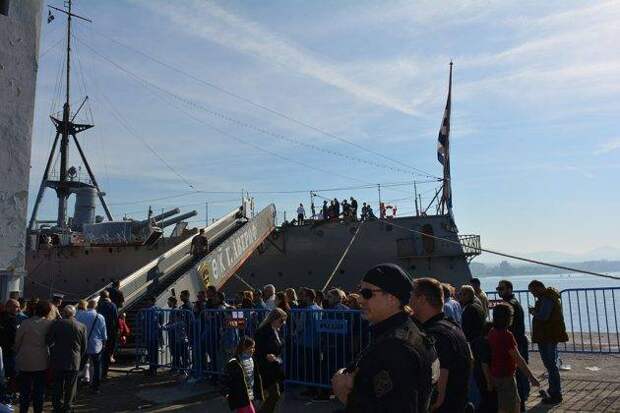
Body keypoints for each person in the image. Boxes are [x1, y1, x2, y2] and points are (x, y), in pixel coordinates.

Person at [332, 264, 438, 412]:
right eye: (360, 292)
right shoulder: (411, 332)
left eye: (367, 293)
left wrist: (345, 393)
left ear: (392, 298)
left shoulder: (397, 348)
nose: (360, 299)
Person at [411, 277, 471, 413]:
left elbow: (437, 396)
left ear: (422, 299)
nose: (408, 301)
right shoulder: (453, 326)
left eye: (411, 296)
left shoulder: (435, 336)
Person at [488, 303, 539, 413]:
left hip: (496, 372)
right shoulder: (507, 335)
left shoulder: (492, 332)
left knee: (508, 403)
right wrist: (531, 377)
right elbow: (518, 358)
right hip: (506, 375)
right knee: (511, 406)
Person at [528, 280, 568, 405]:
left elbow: (544, 316)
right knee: (550, 365)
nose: (533, 294)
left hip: (548, 336)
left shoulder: (547, 298)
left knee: (551, 365)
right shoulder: (546, 298)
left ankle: (555, 393)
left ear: (539, 288)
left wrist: (534, 312)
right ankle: (553, 390)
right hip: (546, 335)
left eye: (533, 291)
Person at [46, 305, 87, 413]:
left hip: (58, 359)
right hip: (74, 360)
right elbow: (84, 346)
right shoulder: (81, 326)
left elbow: (49, 341)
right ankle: (68, 406)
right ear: (74, 314)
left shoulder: (56, 324)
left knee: (57, 385)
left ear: (64, 313)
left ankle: (57, 406)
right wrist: (79, 356)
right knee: (71, 386)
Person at [15, 301, 53, 413]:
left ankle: (23, 410)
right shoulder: (49, 324)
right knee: (39, 391)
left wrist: (16, 352)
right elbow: (51, 342)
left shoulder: (26, 323)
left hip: (25, 360)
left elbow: (17, 341)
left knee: (24, 391)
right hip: (41, 361)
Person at [497, 279, 529, 411]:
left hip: (515, 342)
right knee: (520, 374)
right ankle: (522, 401)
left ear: (510, 289)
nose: (499, 291)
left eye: (501, 288)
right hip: (518, 340)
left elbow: (509, 326)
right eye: (498, 289)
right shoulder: (513, 302)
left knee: (518, 374)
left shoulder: (509, 305)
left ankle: (520, 404)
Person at [254, 308, 287, 413]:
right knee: (274, 395)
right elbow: (256, 350)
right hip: (265, 368)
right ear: (274, 319)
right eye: (281, 320)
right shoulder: (262, 331)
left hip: (275, 368)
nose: (283, 323)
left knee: (273, 396)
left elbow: (279, 347)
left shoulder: (277, 330)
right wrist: (266, 355)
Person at [224, 336, 264, 413]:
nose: (253, 350)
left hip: (249, 394)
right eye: (251, 347)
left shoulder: (253, 360)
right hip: (240, 396)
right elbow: (227, 378)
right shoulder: (234, 362)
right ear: (244, 348)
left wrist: (259, 393)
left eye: (254, 347)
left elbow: (256, 377)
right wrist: (226, 392)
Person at [82, 300, 107, 392]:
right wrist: (104, 342)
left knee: (83, 364)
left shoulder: (82, 315)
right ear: (96, 307)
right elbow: (103, 332)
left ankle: (83, 380)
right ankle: (95, 386)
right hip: (96, 344)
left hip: (83, 343)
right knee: (96, 366)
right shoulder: (99, 316)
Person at [97, 290, 118, 378]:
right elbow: (115, 319)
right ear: (108, 296)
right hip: (109, 331)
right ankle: (104, 373)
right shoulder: (112, 305)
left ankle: (98, 373)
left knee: (99, 353)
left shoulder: (98, 306)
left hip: (98, 332)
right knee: (107, 352)